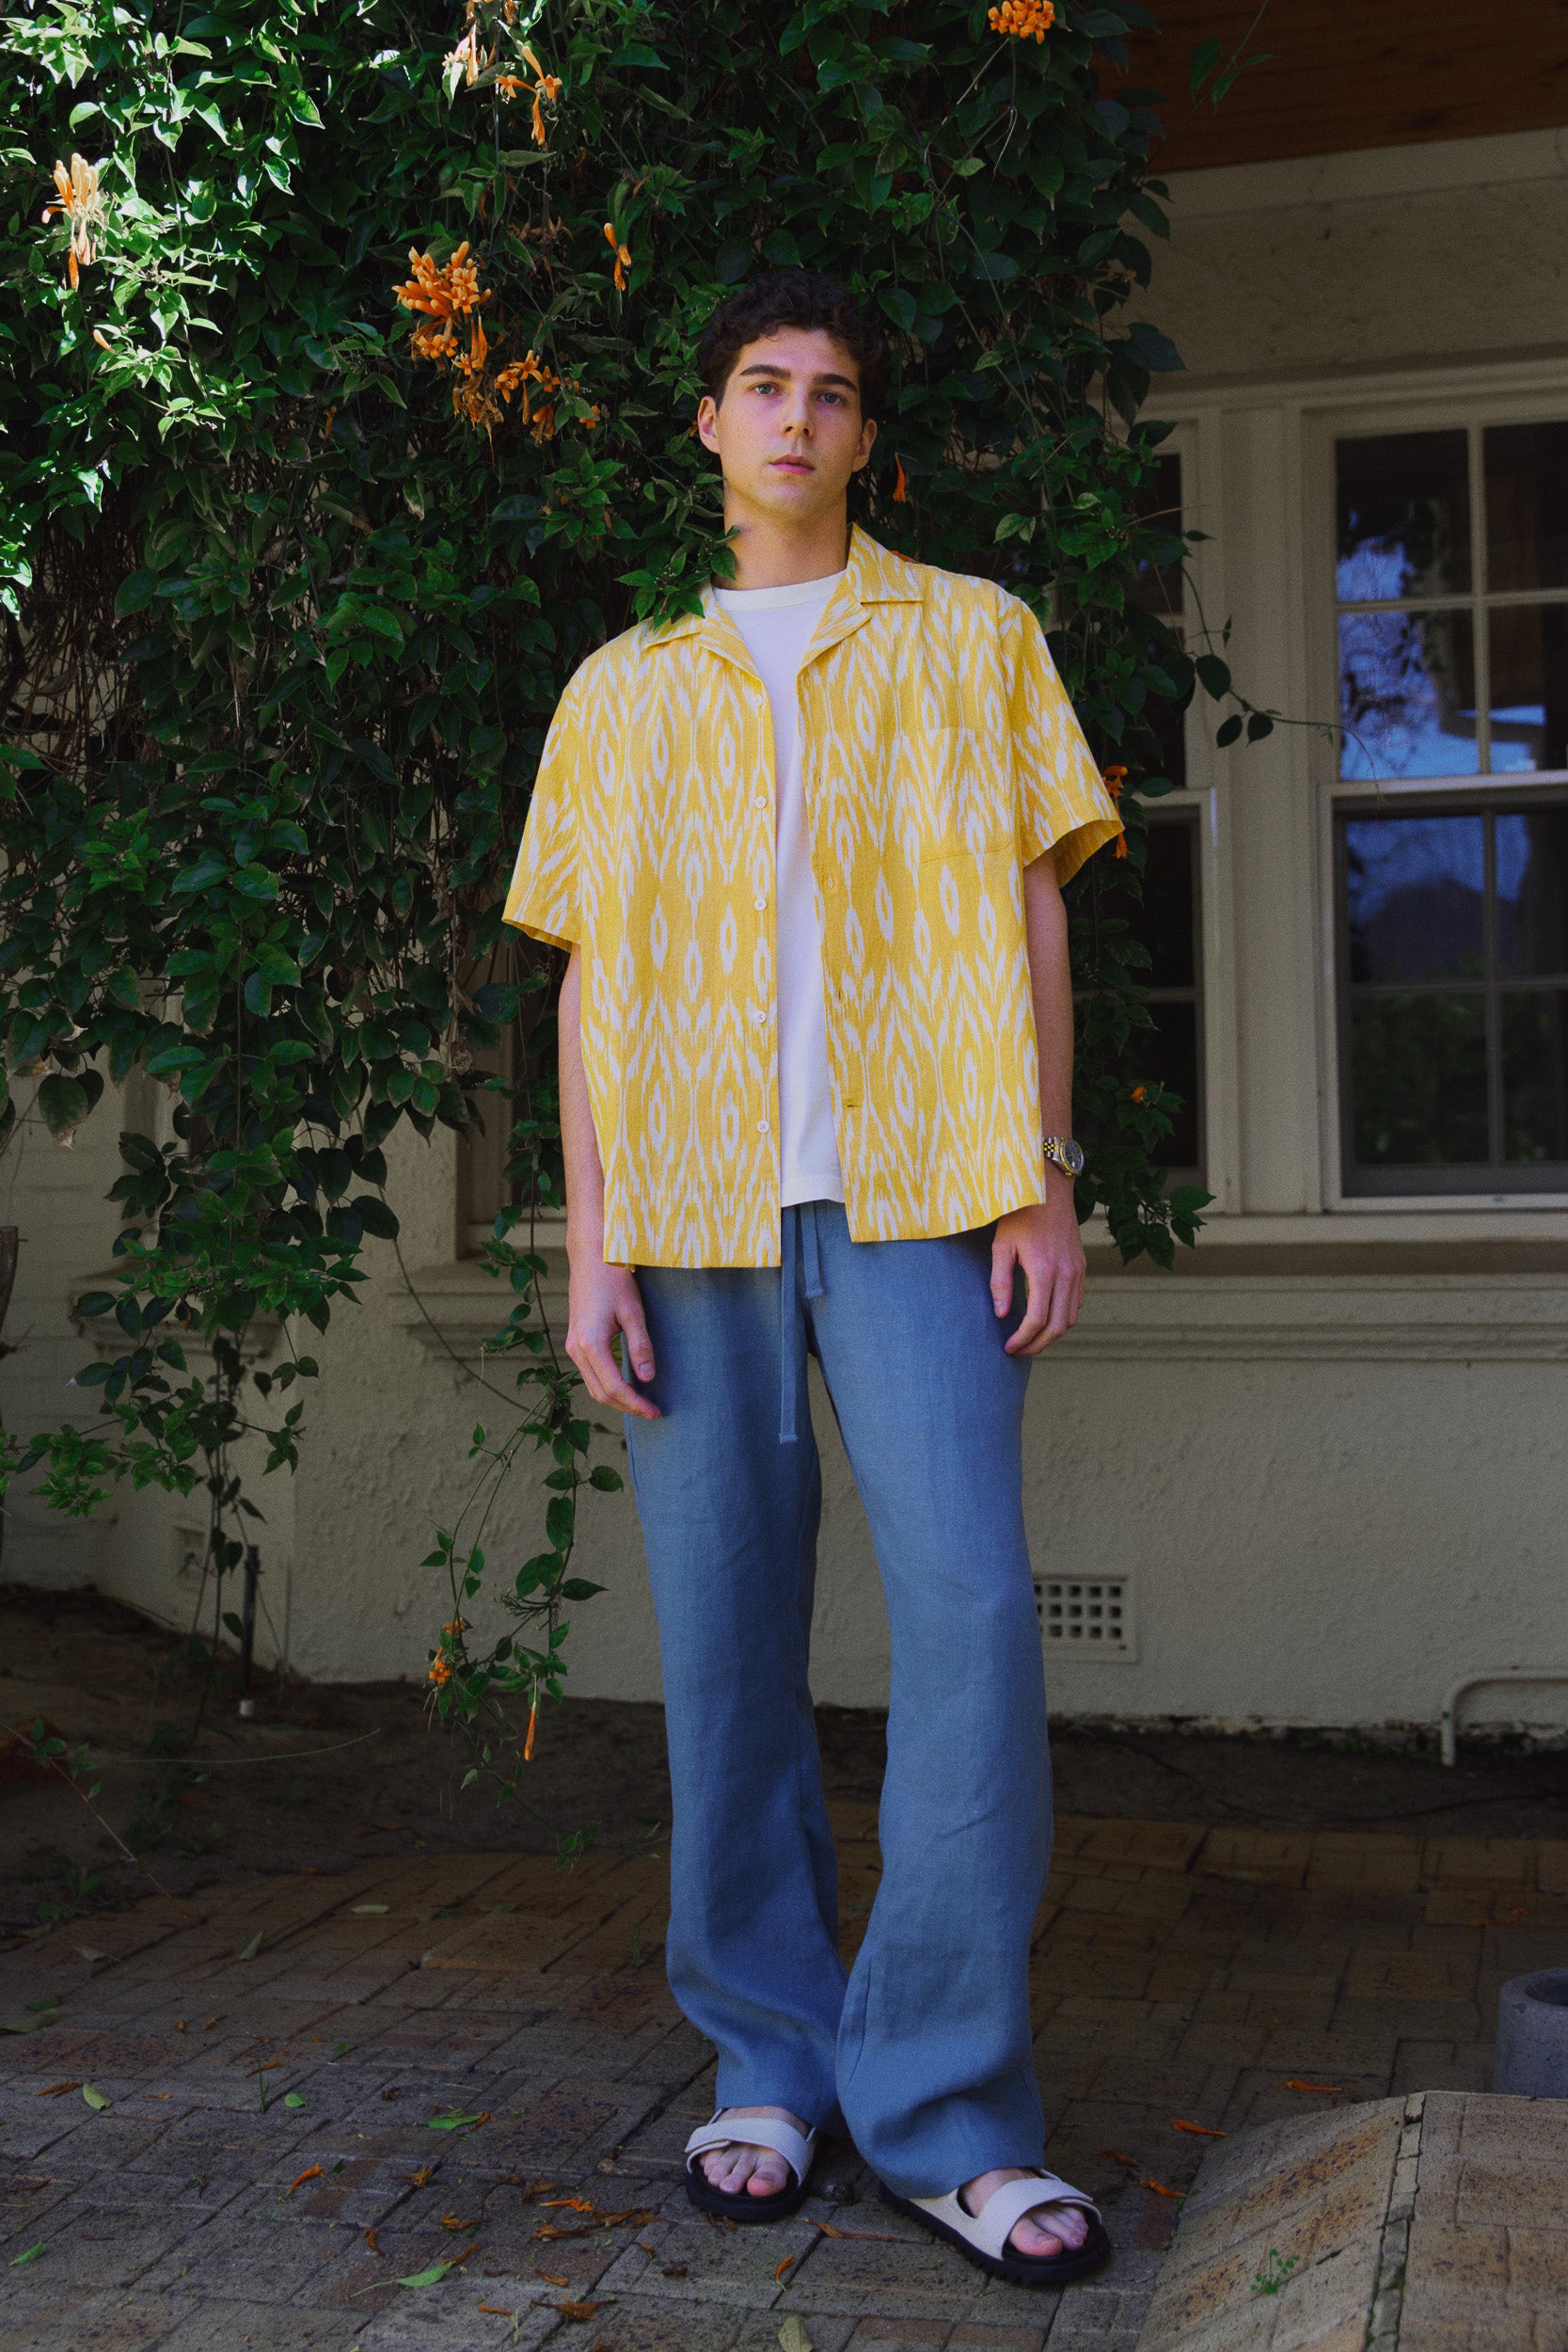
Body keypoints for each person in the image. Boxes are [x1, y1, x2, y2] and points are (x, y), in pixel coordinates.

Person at [502, 269, 1122, 2288]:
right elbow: (590, 993)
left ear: (866, 436)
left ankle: (945, 2104)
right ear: (709, 425)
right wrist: (587, 1242)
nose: (793, 417)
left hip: (932, 1189)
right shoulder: (619, 688)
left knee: (969, 1613)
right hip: (685, 1221)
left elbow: (1037, 907)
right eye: (760, 386)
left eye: (830, 392)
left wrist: (1042, 1171)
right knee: (725, 1640)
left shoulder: (975, 638)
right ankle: (769, 2055)